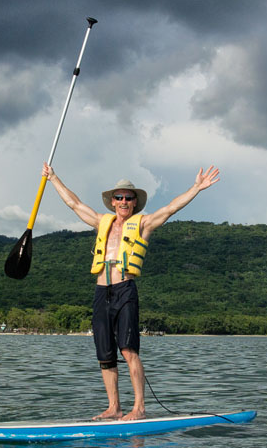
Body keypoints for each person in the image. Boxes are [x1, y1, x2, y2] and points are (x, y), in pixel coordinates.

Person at [41, 162, 221, 420]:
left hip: (125, 290)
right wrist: (53, 178)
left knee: (128, 350)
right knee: (105, 354)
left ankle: (139, 407)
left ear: (135, 203)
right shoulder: (101, 222)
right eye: (119, 197)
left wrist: (196, 188)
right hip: (102, 292)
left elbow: (171, 207)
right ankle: (114, 407)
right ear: (112, 201)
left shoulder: (144, 224)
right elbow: (75, 204)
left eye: (128, 198)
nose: (123, 201)